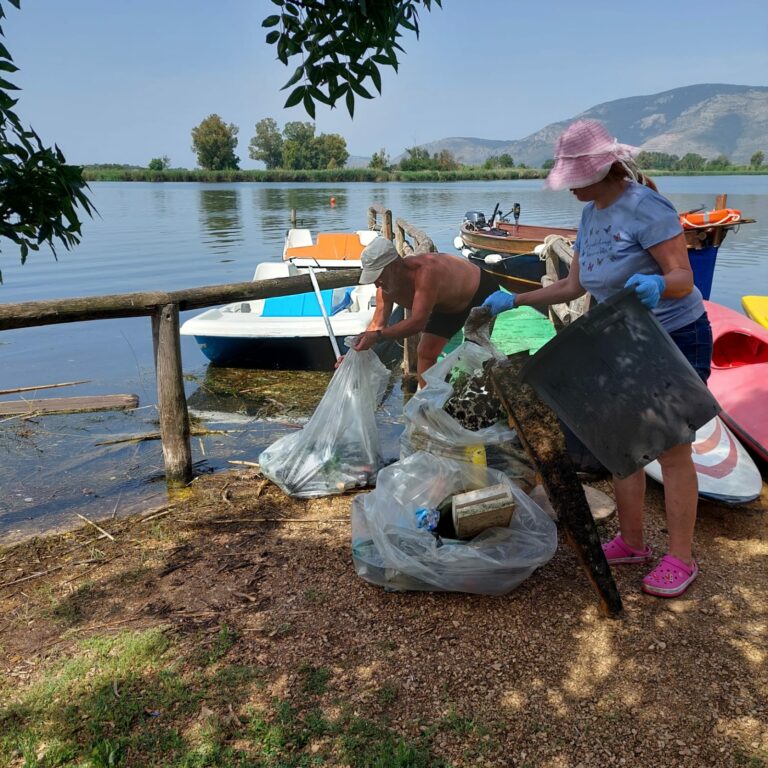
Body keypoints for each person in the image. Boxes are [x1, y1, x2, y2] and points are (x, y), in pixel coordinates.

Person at [482, 119, 713, 599]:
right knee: (621, 445)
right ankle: (632, 543)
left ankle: (682, 558)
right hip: (620, 339)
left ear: (602, 169)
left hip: (672, 336)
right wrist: (516, 299)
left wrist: (657, 286)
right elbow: (573, 287)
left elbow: (683, 278)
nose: (568, 189)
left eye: (574, 179)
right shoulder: (590, 215)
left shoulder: (647, 207)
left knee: (671, 451)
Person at [350, 237, 500, 385]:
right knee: (426, 353)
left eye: (379, 276)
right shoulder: (385, 289)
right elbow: (377, 325)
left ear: (394, 265)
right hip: (447, 305)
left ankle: (483, 394)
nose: (377, 284)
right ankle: (427, 403)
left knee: (474, 356)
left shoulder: (426, 273)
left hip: (480, 291)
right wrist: (353, 356)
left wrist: (378, 336)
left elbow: (417, 323)